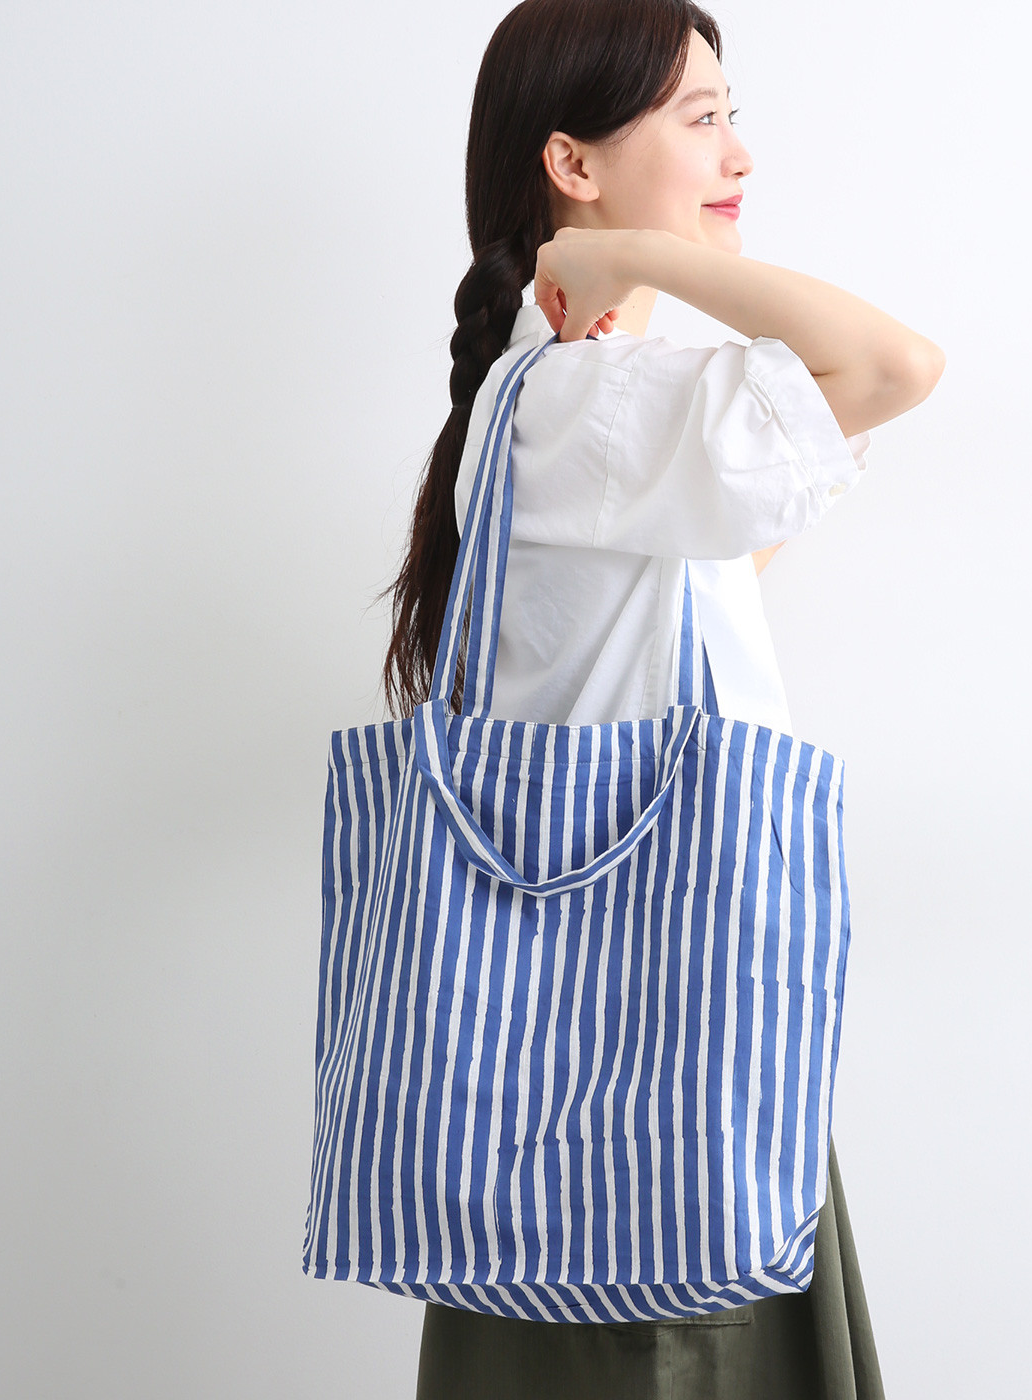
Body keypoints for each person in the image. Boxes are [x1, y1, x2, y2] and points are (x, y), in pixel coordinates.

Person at [376, 2, 945, 1395]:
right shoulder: (589, 403)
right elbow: (895, 368)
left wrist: (627, 272)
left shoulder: (564, 404)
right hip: (657, 1052)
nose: (738, 152)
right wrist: (629, 260)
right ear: (572, 162)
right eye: (700, 118)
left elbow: (717, 576)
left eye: (732, 116)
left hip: (602, 1048)